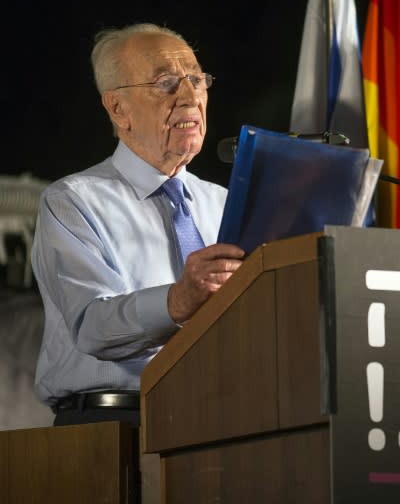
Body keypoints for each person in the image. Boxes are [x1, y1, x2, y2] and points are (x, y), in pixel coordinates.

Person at [31, 22, 245, 427]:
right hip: (113, 429)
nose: (189, 97)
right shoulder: (73, 200)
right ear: (118, 109)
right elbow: (91, 326)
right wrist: (179, 300)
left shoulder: (225, 204)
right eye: (166, 82)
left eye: (196, 80)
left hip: (220, 420)